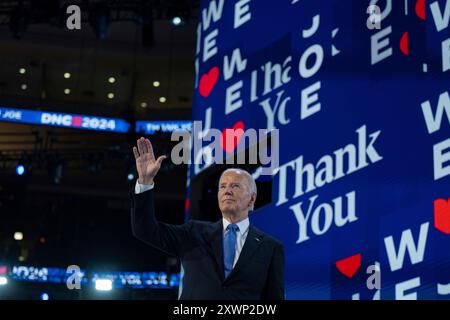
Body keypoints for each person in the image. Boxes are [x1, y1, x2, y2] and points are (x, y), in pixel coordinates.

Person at [131, 137, 285, 299]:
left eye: (235, 186)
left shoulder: (271, 248)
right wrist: (145, 182)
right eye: (223, 186)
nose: (227, 191)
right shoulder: (193, 232)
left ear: (252, 199)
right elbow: (145, 230)